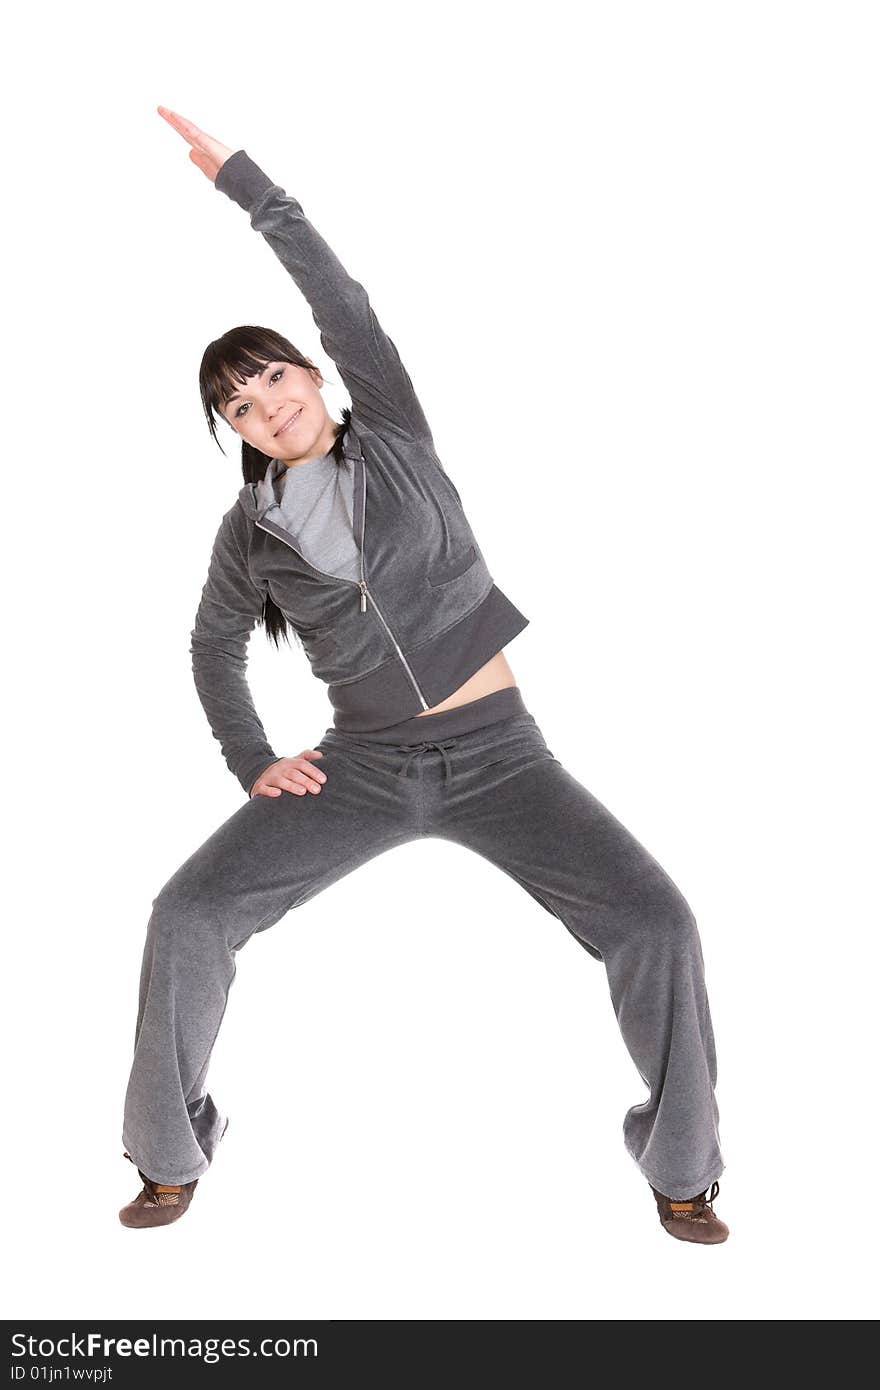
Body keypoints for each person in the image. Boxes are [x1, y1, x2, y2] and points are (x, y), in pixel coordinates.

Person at [118, 107, 728, 1245]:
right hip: (359, 766)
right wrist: (254, 759)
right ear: (234, 429)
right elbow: (209, 645)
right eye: (239, 406)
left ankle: (682, 1166)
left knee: (657, 921)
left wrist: (247, 186)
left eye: (274, 380)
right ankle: (168, 1150)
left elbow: (341, 297)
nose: (267, 405)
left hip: (504, 757)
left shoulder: (390, 431)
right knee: (187, 913)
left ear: (311, 373)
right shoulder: (247, 532)